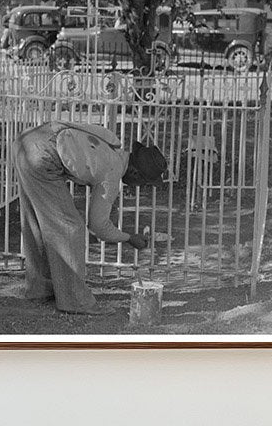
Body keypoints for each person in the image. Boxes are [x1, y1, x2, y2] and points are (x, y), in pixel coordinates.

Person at [12, 121, 168, 316]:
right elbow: (97, 226)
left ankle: (41, 288)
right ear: (135, 172)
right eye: (143, 182)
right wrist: (128, 238)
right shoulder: (112, 174)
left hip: (27, 141)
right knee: (70, 228)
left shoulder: (112, 143)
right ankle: (75, 301)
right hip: (43, 156)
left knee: (36, 220)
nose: (140, 186)